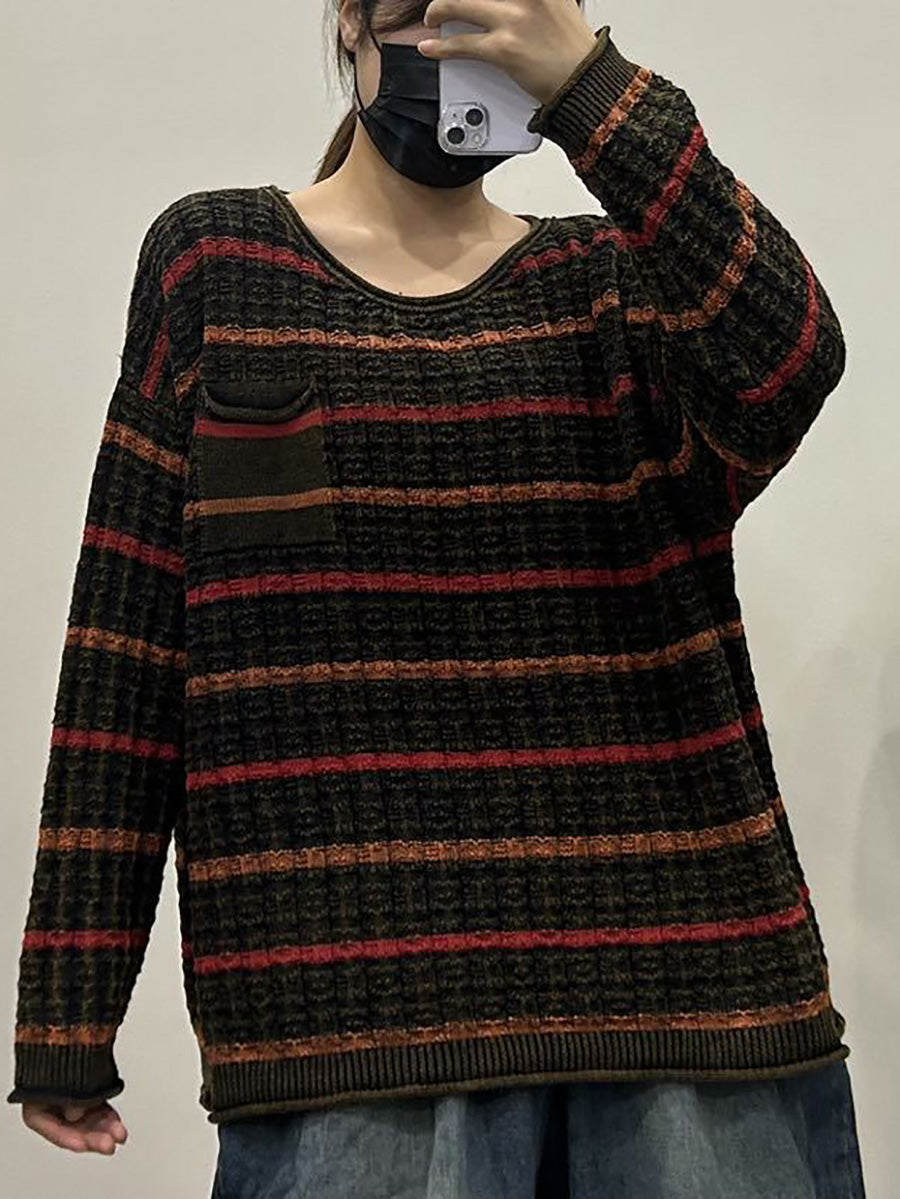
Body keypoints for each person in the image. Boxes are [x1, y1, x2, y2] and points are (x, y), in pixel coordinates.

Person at [8, 1, 867, 1195]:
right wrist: (69, 1003)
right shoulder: (219, 265)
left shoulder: (615, 286)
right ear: (351, 23)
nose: (465, 41)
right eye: (433, 9)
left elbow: (792, 360)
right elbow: (130, 646)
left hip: (693, 1010)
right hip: (350, 1032)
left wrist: (596, 93)